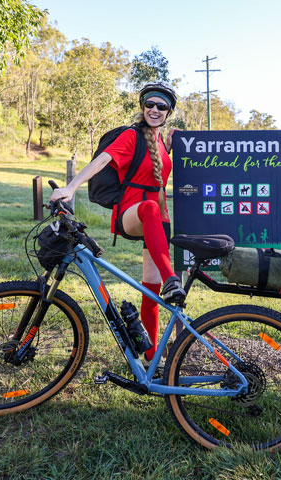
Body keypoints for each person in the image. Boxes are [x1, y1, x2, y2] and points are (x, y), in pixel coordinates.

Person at [50, 82, 185, 362]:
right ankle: (173, 278)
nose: (155, 110)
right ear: (142, 106)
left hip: (159, 219)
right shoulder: (131, 136)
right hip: (132, 213)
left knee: (152, 288)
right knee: (149, 208)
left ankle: (150, 357)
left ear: (169, 111)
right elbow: (101, 161)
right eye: (150, 104)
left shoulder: (161, 141)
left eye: (161, 106)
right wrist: (71, 187)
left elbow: (155, 170)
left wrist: (170, 148)